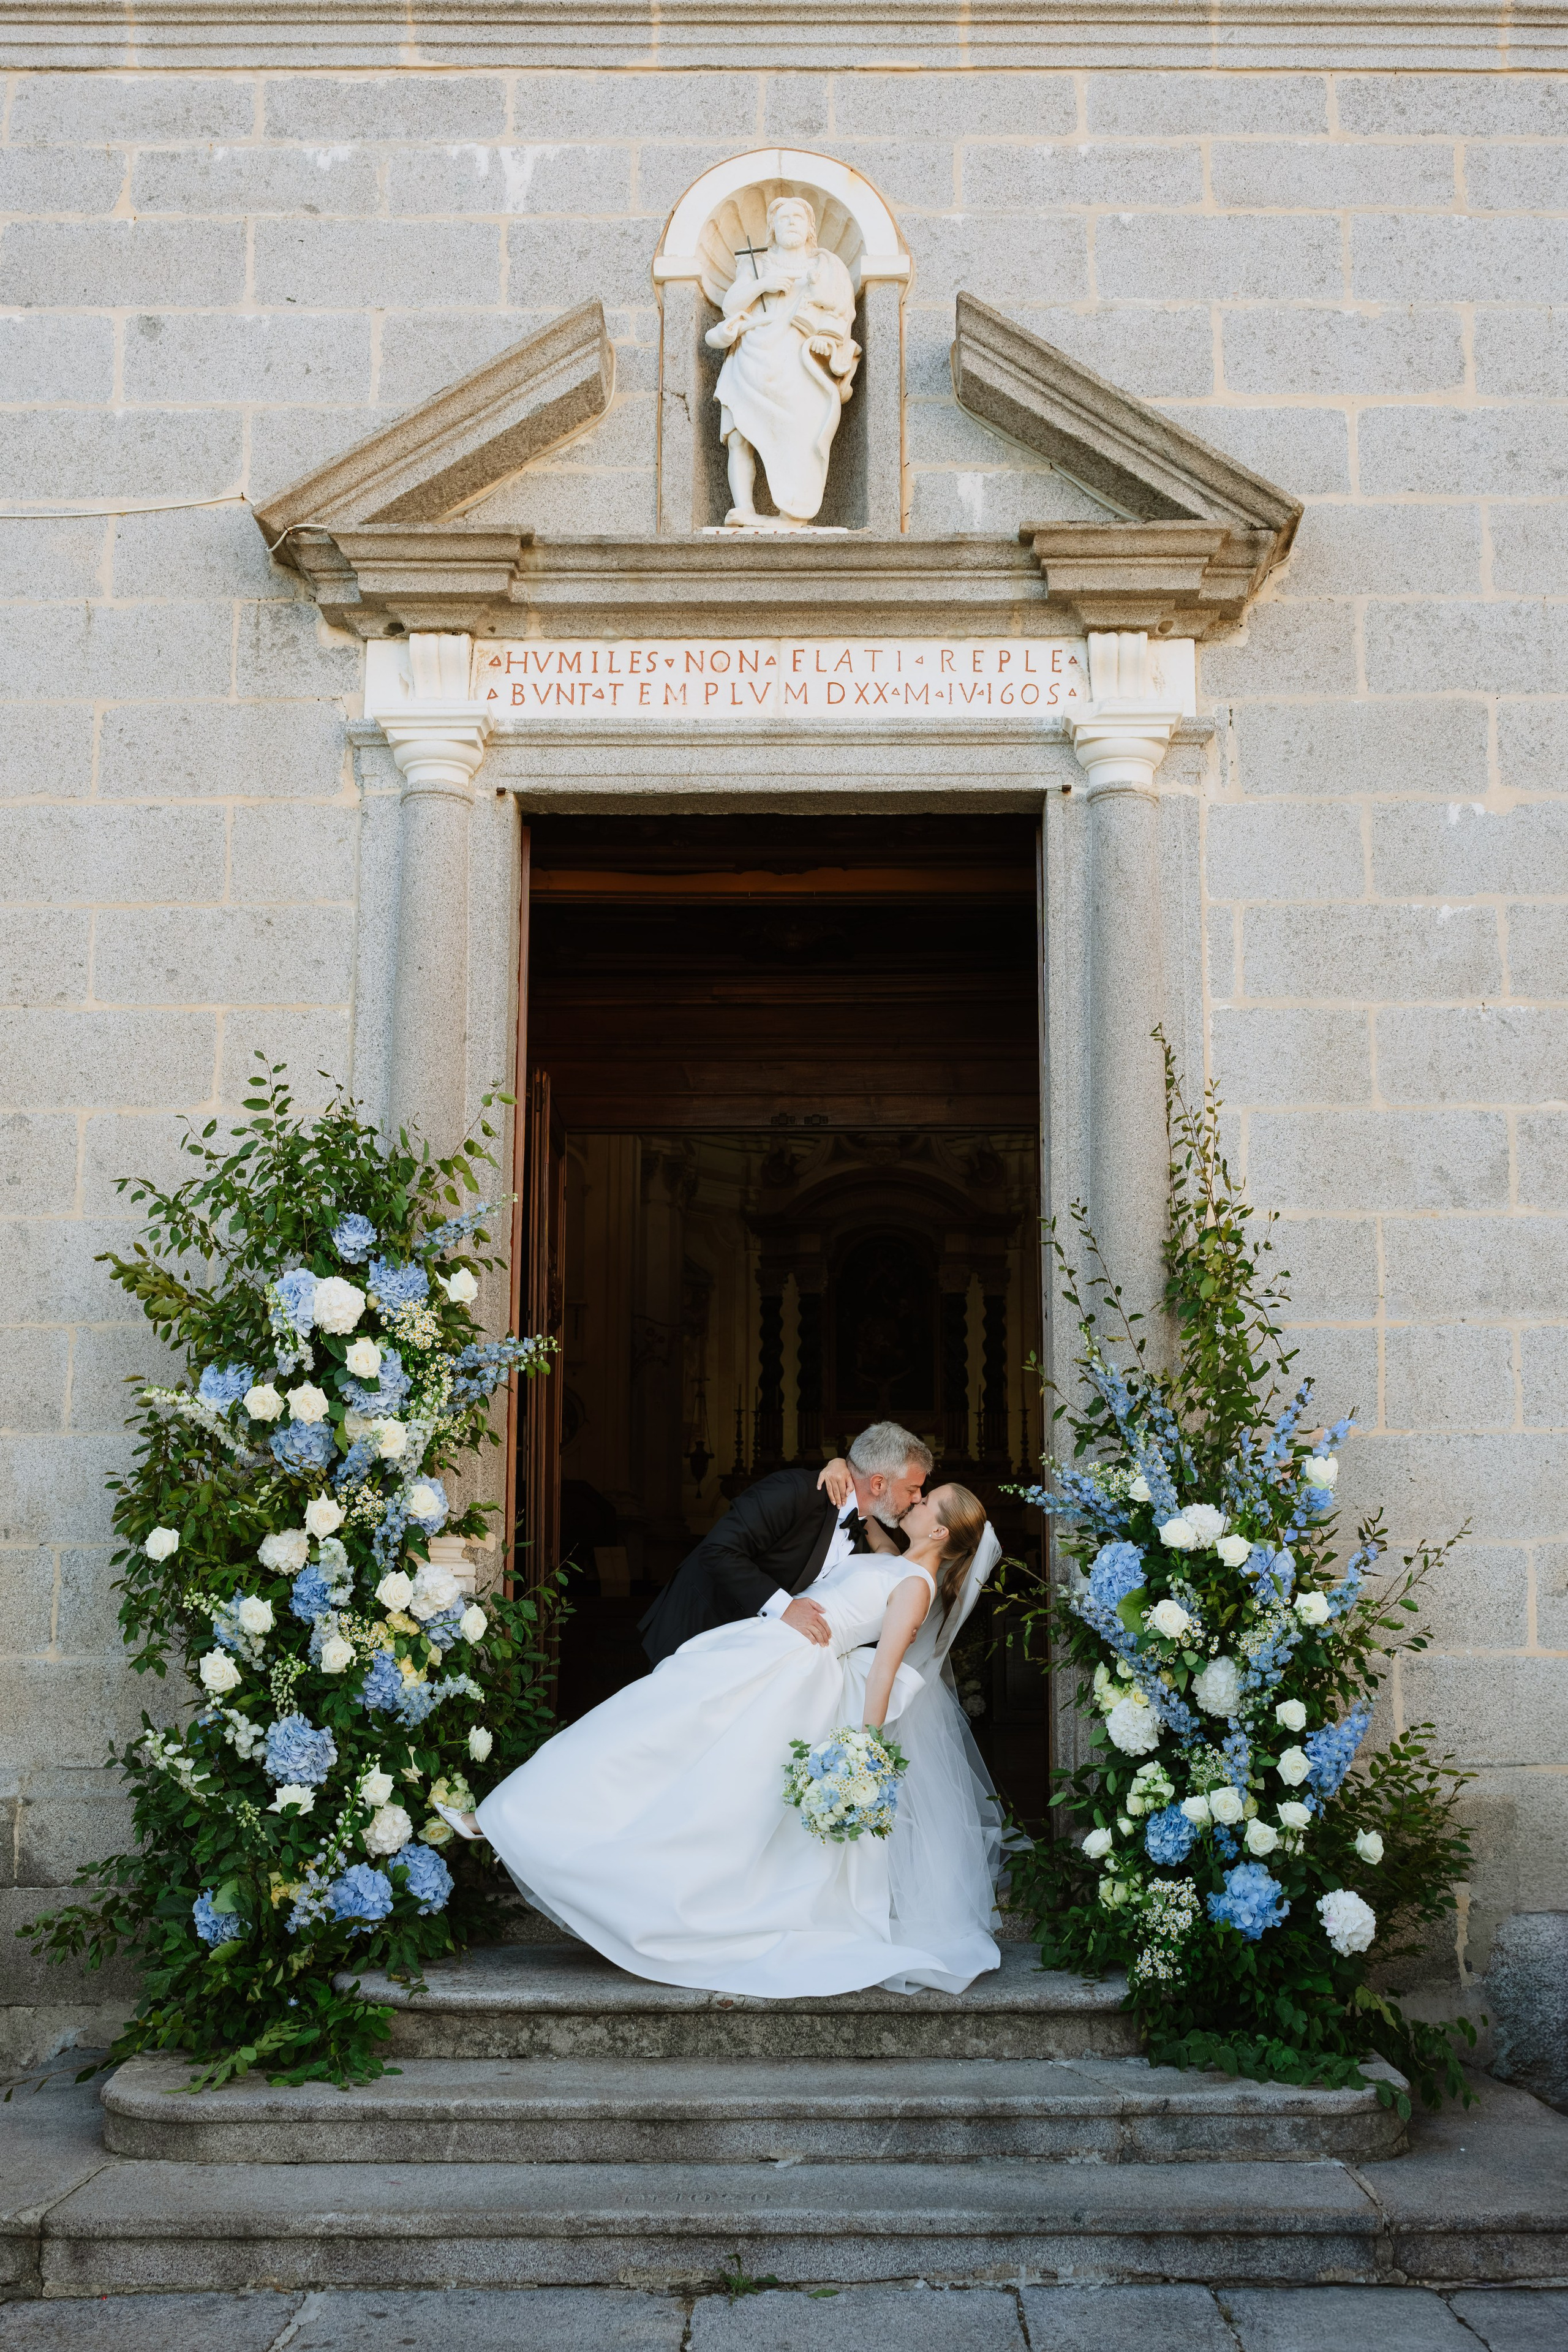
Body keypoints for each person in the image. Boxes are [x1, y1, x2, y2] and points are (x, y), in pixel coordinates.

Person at [467, 1479, 1005, 1999]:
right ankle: (520, 1815)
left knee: (697, 1771)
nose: (915, 1499)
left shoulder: (915, 1587)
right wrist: (841, 1468)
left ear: (939, 1533)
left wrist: (862, 1751)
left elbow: (885, 1670)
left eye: (927, 1500)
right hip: (766, 1647)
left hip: (792, 1673)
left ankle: (602, 1862)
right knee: (643, 1728)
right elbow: (868, 1519)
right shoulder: (895, 1560)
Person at [639, 1420, 930, 1666]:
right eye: (913, 1489)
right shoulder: (792, 1491)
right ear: (878, 1484)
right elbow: (718, 1551)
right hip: (694, 1632)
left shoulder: (862, 1524)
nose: (917, 1498)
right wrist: (786, 1608)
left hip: (748, 1654)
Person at [704, 194, 860, 528]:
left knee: (802, 432)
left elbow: (841, 310)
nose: (791, 223)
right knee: (739, 434)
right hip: (753, 354)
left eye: (798, 218)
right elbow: (732, 306)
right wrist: (763, 283)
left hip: (800, 362)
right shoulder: (756, 263)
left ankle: (794, 510)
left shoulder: (825, 265)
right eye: (784, 218)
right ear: (772, 228)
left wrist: (828, 339)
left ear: (809, 229)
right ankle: (743, 507)